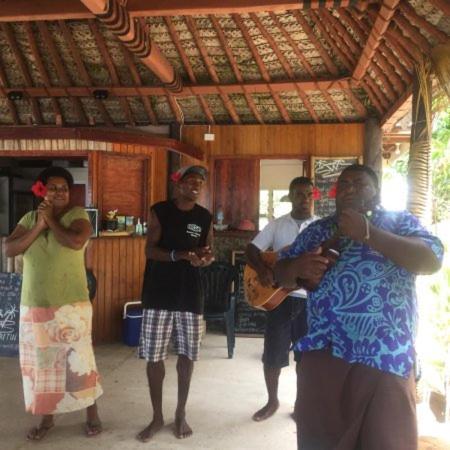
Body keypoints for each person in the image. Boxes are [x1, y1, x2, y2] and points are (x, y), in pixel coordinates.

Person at [274, 164, 444, 450]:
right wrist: (297, 266)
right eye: (344, 184)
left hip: (385, 355)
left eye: (360, 183)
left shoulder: (399, 222)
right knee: (320, 442)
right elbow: (279, 274)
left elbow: (431, 260)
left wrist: (368, 233)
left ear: (376, 191)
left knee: (387, 442)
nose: (350, 189)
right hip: (323, 353)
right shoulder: (318, 230)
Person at [5, 167, 103, 441]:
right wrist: (39, 224)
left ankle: (92, 414)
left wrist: (51, 221)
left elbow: (75, 241)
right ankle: (47, 418)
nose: (59, 192)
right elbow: (9, 249)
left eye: (64, 188)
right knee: (43, 366)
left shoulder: (77, 216)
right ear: (41, 189)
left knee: (79, 362)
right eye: (53, 187)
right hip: (35, 304)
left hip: (71, 304)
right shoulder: (29, 218)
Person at [137, 165, 214, 442]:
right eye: (190, 180)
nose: (195, 185)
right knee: (154, 357)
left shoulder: (204, 217)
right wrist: (180, 255)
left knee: (187, 357)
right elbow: (150, 250)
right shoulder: (160, 210)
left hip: (191, 295)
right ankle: (157, 417)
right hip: (159, 294)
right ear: (177, 184)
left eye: (200, 182)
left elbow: (209, 251)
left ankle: (180, 413)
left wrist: (204, 258)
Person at [246, 177, 317, 422]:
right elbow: (251, 250)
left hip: (310, 302)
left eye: (308, 194)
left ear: (313, 196)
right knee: (273, 355)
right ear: (290, 196)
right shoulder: (276, 226)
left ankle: (301, 404)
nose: (304, 199)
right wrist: (263, 270)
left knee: (306, 359)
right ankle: (272, 401)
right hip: (279, 300)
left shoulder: (321, 227)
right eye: (298, 194)